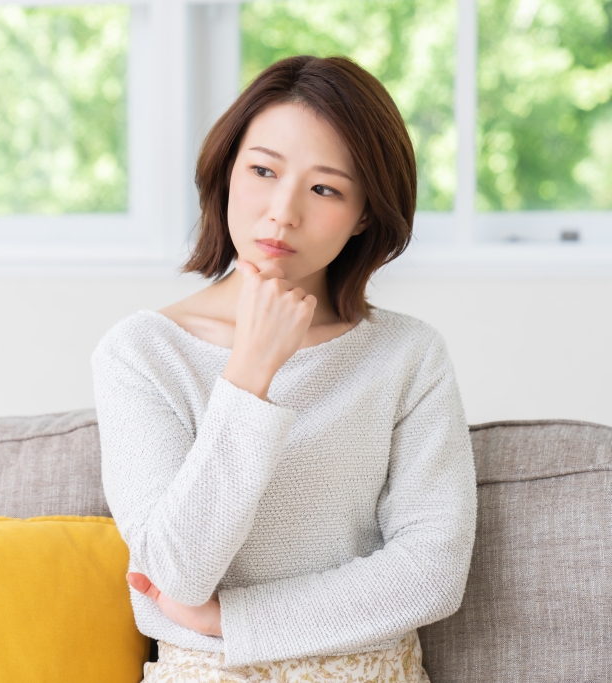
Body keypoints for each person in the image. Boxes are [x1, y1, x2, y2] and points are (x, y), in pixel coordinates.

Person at [90, 55, 478, 683]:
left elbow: (431, 573)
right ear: (227, 174)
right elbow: (176, 574)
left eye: (325, 188)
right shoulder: (142, 353)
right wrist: (251, 371)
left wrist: (233, 619)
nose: (283, 211)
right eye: (263, 171)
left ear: (365, 214)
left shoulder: (408, 354)